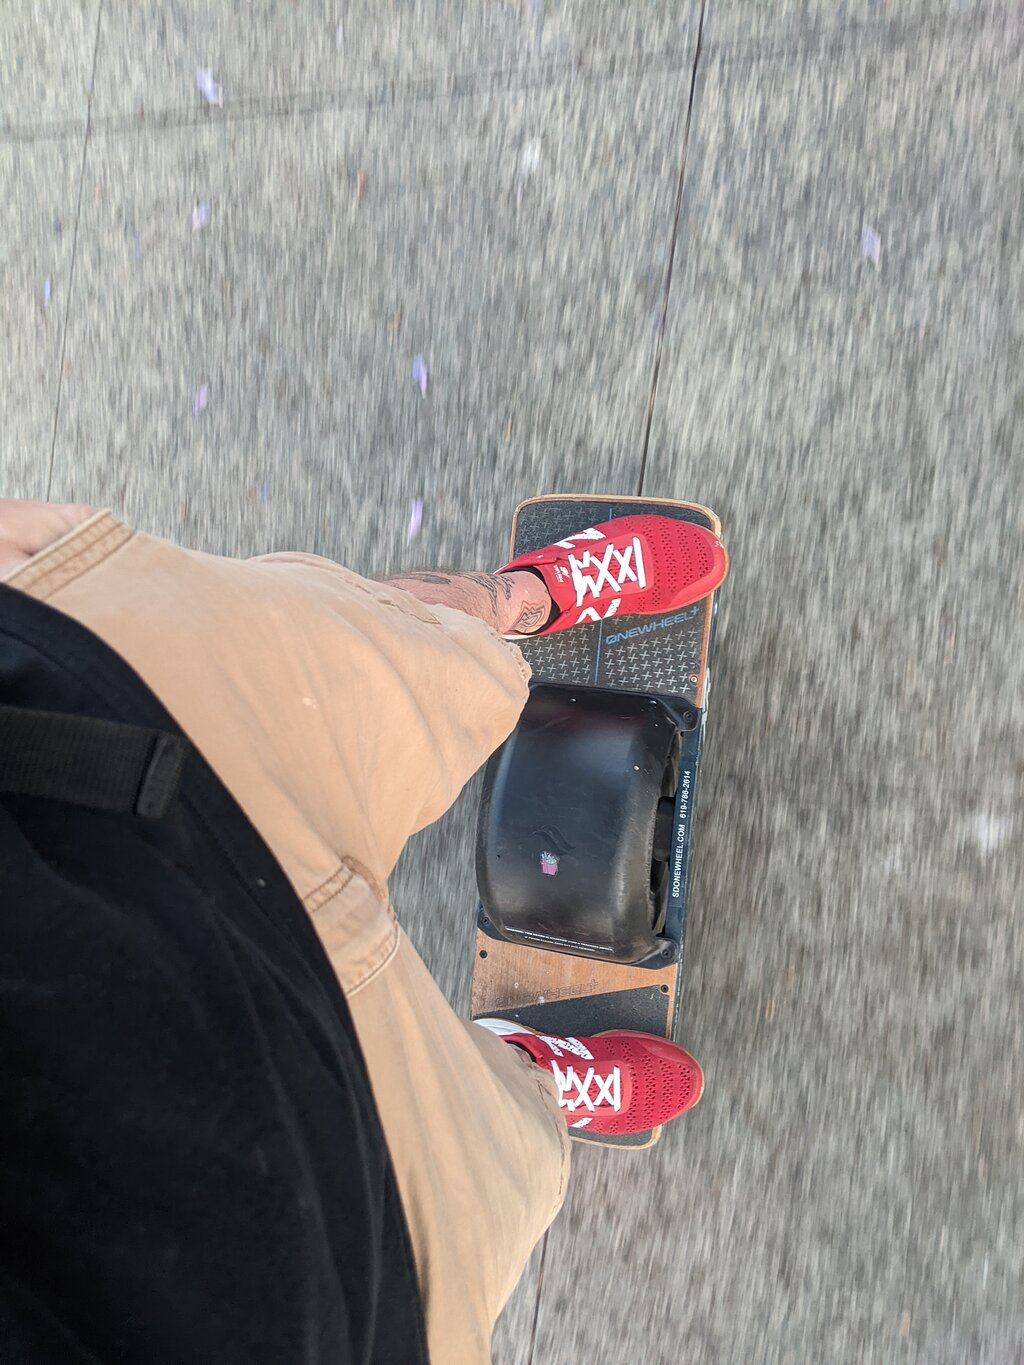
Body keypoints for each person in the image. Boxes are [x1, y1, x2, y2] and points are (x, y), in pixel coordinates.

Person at [0, 498, 727, 1363]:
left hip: (72, 735)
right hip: (297, 1280)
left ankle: (520, 599)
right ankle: (527, 1074)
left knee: (388, 652)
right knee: (496, 1164)